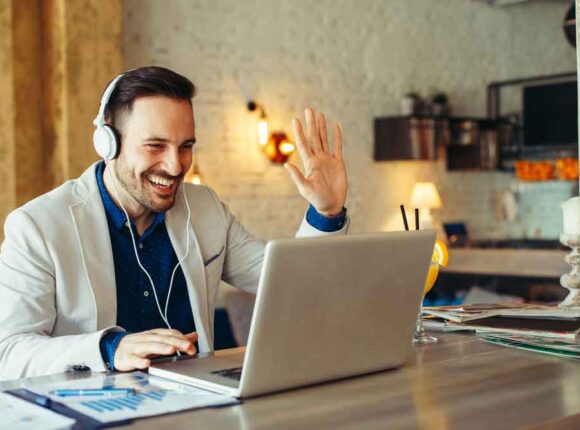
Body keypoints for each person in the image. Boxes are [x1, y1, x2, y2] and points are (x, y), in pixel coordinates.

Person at [0, 66, 349, 380]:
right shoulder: (37, 226)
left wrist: (327, 210)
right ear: (107, 142)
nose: (175, 165)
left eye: (185, 146)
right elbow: (9, 353)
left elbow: (290, 281)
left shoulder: (206, 208)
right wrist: (110, 349)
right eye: (155, 145)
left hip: (200, 414)